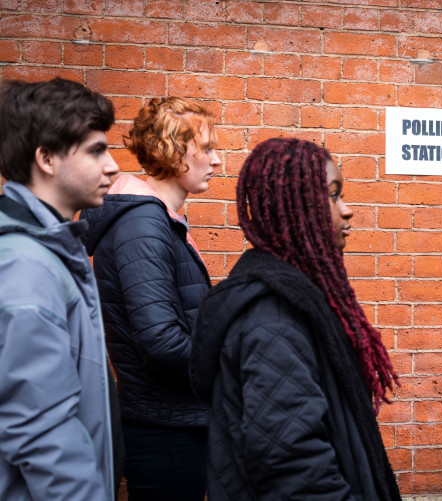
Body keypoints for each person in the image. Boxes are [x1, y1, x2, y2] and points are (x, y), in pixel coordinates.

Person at [190, 137, 402, 500]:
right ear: (297, 208)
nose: (347, 210)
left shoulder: (300, 299)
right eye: (334, 196)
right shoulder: (274, 317)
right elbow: (292, 466)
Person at [81, 96, 221, 501]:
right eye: (206, 149)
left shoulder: (158, 220)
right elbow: (160, 340)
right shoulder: (143, 224)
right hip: (166, 430)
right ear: (173, 154)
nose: (216, 160)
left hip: (176, 421)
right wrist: (229, 364)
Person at [0, 77, 119, 500]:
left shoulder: (45, 249)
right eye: (95, 151)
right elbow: (41, 429)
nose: (113, 165)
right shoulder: (25, 264)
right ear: (46, 158)